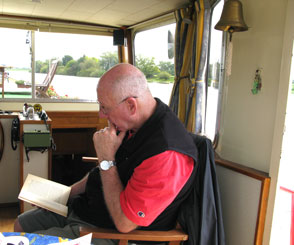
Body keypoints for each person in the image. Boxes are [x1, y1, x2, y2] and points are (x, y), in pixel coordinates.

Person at [14, 63, 198, 243]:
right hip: (86, 209)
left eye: (105, 108)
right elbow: (101, 174)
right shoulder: (131, 125)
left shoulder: (167, 154)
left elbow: (125, 224)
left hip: (111, 234)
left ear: (131, 106)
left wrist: (106, 158)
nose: (101, 115)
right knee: (21, 225)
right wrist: (64, 195)